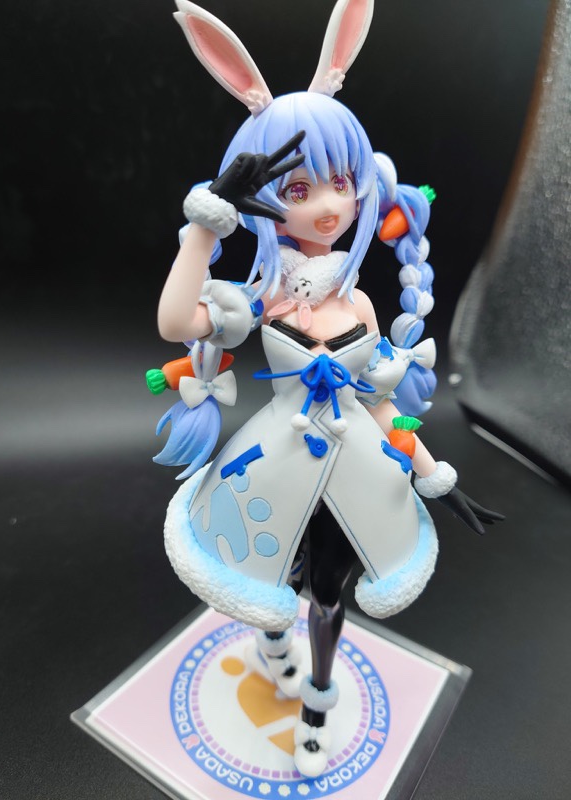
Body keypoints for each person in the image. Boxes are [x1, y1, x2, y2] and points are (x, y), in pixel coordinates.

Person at [150, 0, 502, 777]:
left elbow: (381, 401)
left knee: (333, 594)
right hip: (273, 467)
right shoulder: (260, 297)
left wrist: (429, 471)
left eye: (341, 181)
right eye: (300, 187)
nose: (330, 204)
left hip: (358, 471)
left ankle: (316, 699)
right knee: (266, 577)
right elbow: (177, 321)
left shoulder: (361, 304)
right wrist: (206, 225)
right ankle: (274, 646)